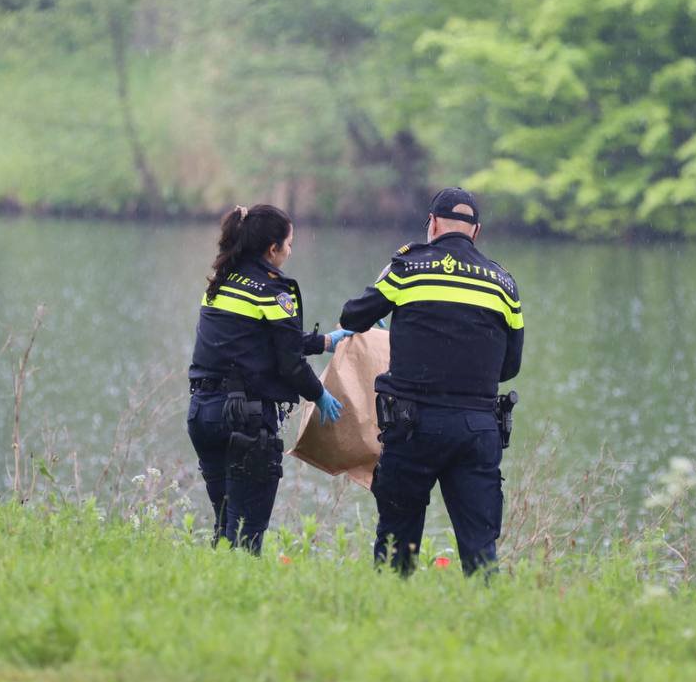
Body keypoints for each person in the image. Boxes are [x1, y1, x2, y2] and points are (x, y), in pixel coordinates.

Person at [338, 188, 523, 575]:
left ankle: (391, 617)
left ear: (433, 224)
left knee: (397, 541)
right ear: (476, 231)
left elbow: (353, 316)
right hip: (477, 428)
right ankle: (490, 618)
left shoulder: (408, 267)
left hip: (413, 427)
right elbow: (509, 368)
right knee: (480, 546)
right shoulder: (504, 284)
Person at [188, 204, 348, 553]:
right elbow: (289, 363)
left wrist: (323, 342)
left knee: (225, 525)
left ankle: (209, 596)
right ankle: (241, 602)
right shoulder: (274, 290)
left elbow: (256, 340)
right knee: (246, 538)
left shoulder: (222, 281)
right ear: (272, 248)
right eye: (289, 244)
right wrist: (318, 393)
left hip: (203, 413)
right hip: (244, 421)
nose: (291, 251)